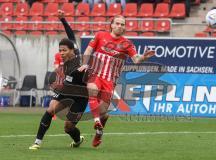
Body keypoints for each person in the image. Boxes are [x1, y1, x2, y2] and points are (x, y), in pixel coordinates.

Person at [78, 15, 155, 147]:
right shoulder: (100, 35)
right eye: (117, 23)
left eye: (122, 24)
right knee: (92, 90)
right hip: (95, 73)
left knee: (104, 114)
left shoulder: (127, 44)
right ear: (112, 25)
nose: (120, 26)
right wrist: (85, 63)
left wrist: (143, 57)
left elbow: (136, 60)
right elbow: (89, 49)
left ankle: (99, 132)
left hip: (110, 80)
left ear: (125, 27)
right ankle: (96, 121)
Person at [29, 10, 88, 150]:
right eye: (60, 50)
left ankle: (78, 139)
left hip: (80, 96)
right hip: (66, 89)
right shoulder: (66, 59)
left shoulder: (79, 61)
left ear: (72, 50)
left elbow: (92, 77)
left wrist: (88, 69)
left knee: (68, 128)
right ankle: (37, 142)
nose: (61, 53)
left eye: (64, 50)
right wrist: (63, 19)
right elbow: (70, 35)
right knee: (50, 110)